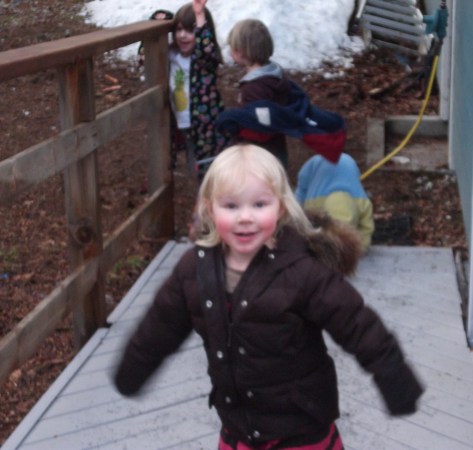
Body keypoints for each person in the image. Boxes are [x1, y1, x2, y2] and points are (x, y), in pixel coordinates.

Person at [113, 144, 423, 449]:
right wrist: (134, 368)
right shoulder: (194, 270)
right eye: (231, 206)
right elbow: (160, 324)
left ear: (281, 208)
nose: (245, 217)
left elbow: (357, 324)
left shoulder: (302, 272)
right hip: (239, 427)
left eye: (259, 204)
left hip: (301, 427)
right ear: (209, 209)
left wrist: (394, 377)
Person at [217, 19, 346, 169]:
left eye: (232, 48)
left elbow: (261, 129)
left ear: (241, 52)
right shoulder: (275, 74)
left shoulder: (254, 88)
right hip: (277, 150)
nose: (230, 51)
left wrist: (236, 124)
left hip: (260, 157)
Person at [165, 0, 227, 180]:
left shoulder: (203, 60)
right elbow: (149, 47)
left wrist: (200, 16)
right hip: (183, 122)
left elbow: (205, 49)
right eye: (179, 30)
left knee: (209, 169)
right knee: (194, 164)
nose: (183, 35)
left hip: (205, 125)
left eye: (190, 30)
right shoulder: (172, 55)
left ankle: (211, 194)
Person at [296, 153, 375, 253]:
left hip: (318, 195)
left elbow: (299, 198)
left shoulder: (313, 207)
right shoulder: (362, 203)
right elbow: (366, 228)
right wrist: (360, 248)